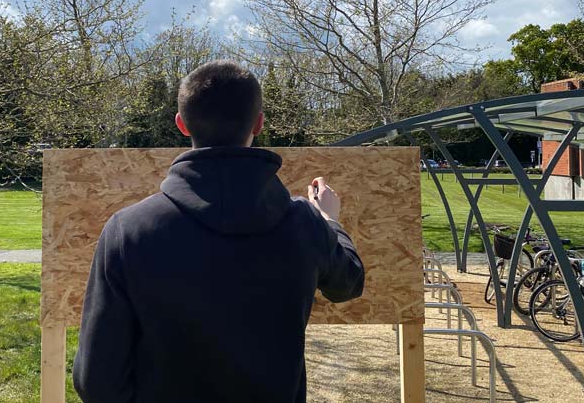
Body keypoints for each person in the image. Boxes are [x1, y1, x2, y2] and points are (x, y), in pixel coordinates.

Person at [72, 60, 365, 403]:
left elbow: (95, 380)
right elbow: (348, 284)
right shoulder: (305, 222)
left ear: (181, 124)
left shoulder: (127, 230)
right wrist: (329, 220)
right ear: (259, 122)